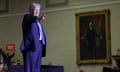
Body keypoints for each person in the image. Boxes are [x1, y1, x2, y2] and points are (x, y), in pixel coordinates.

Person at [20, 3, 46, 72]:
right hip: (31, 47)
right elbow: (31, 18)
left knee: (37, 69)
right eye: (35, 10)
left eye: (38, 10)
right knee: (30, 69)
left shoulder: (37, 22)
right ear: (30, 10)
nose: (37, 12)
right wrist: (39, 18)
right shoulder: (27, 17)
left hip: (39, 46)